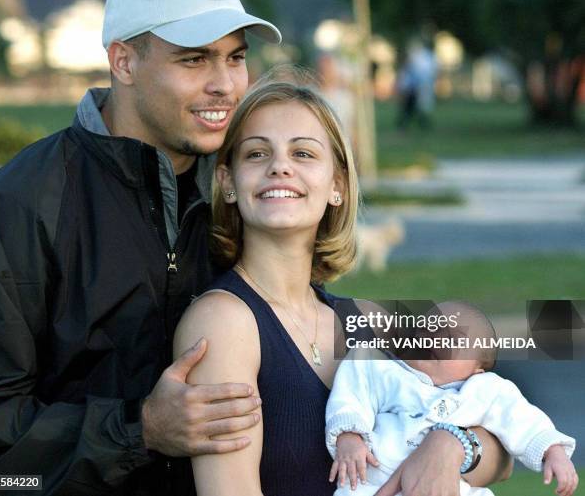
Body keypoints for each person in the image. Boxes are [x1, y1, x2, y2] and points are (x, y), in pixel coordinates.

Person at [0, 0, 281, 494]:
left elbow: (332, 332)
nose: (225, 84)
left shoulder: (253, 189)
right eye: (194, 59)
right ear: (123, 62)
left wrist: (451, 428)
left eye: (236, 57)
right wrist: (140, 430)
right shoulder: (16, 206)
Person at [173, 81, 513, 496]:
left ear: (338, 186)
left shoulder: (366, 318)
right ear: (228, 181)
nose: (280, 167)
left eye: (303, 153)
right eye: (257, 153)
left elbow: (504, 449)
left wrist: (449, 444)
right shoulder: (223, 321)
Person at [326, 302, 578, 496]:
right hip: (374, 480)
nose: (434, 337)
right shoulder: (383, 370)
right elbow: (351, 394)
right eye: (425, 329)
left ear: (478, 367)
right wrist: (349, 436)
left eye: (452, 338)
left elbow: (522, 419)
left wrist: (553, 450)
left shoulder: (486, 390)